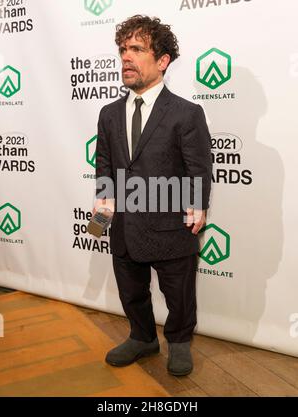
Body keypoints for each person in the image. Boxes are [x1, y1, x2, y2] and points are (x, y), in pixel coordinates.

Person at [94, 15, 212, 376]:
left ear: (162, 61)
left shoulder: (186, 114)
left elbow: (199, 166)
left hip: (171, 227)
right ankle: (143, 337)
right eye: (122, 50)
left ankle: (178, 342)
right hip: (125, 226)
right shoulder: (109, 113)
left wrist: (196, 205)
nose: (126, 57)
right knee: (131, 291)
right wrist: (104, 201)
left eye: (136, 49)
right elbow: (104, 162)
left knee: (179, 294)